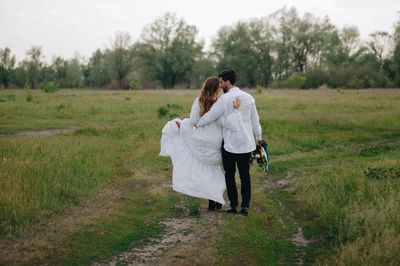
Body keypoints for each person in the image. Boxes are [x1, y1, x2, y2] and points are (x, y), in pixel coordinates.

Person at [160, 76, 241, 210]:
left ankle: (211, 201)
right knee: (214, 169)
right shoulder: (220, 102)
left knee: (206, 171)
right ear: (216, 90)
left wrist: (183, 124)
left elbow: (192, 120)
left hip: (202, 138)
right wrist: (236, 111)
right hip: (215, 139)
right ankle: (217, 200)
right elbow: (225, 122)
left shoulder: (199, 101)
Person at [196, 70, 262, 216]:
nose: (220, 85)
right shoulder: (249, 97)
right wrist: (258, 137)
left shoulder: (224, 100)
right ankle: (245, 207)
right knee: (245, 176)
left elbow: (210, 117)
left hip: (230, 145)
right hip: (246, 144)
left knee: (229, 175)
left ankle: (233, 205)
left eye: (221, 81)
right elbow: (255, 120)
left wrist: (197, 124)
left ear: (226, 82)